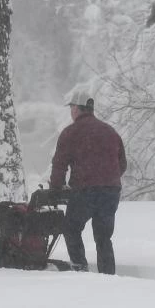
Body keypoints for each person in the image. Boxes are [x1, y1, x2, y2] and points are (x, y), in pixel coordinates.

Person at [50, 89, 126, 275]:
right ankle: (108, 274)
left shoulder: (71, 133)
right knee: (103, 237)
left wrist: (55, 188)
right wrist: (107, 179)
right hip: (111, 191)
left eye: (72, 108)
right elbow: (122, 164)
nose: (71, 112)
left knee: (71, 228)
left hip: (85, 191)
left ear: (77, 109)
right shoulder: (110, 132)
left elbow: (59, 165)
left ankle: (80, 269)